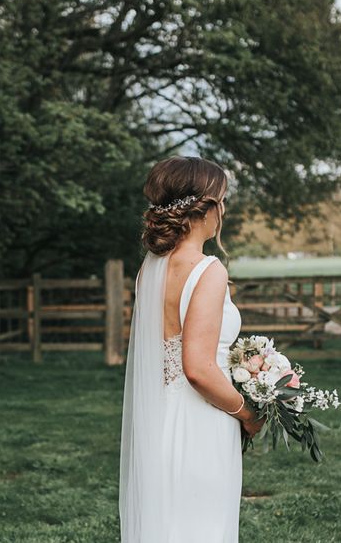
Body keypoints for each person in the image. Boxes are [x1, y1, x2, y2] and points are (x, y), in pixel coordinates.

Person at [119, 156, 265, 542]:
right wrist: (247, 413)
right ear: (206, 207)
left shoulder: (151, 268)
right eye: (222, 199)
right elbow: (198, 368)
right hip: (201, 424)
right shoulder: (208, 269)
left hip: (160, 421)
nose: (225, 210)